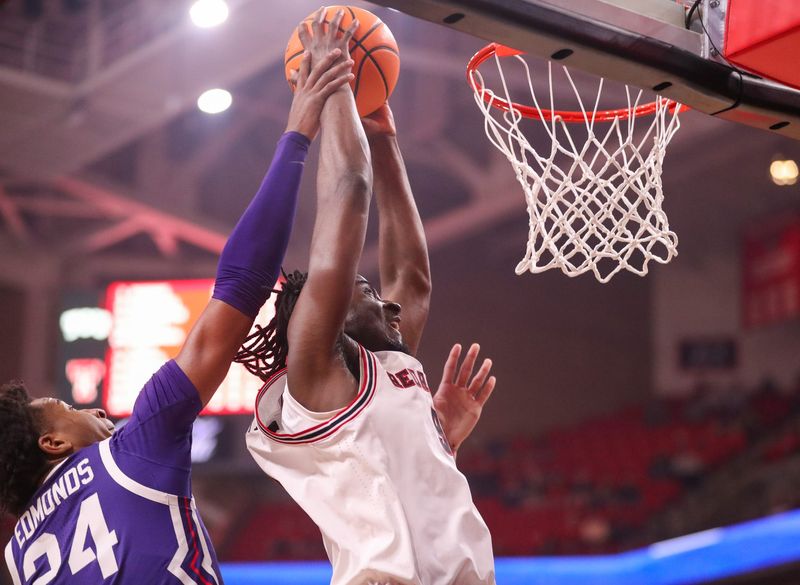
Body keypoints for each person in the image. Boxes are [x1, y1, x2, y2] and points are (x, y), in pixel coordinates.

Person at [1, 43, 356, 585]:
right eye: (67, 407)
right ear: (54, 444)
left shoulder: (17, 561)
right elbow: (243, 283)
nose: (92, 409)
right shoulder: (130, 450)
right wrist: (298, 134)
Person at [239, 9, 497, 584]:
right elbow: (347, 192)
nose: (388, 304)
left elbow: (415, 277)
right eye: (367, 292)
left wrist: (385, 139)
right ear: (320, 318)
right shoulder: (315, 379)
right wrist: (334, 84)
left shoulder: (386, 371)